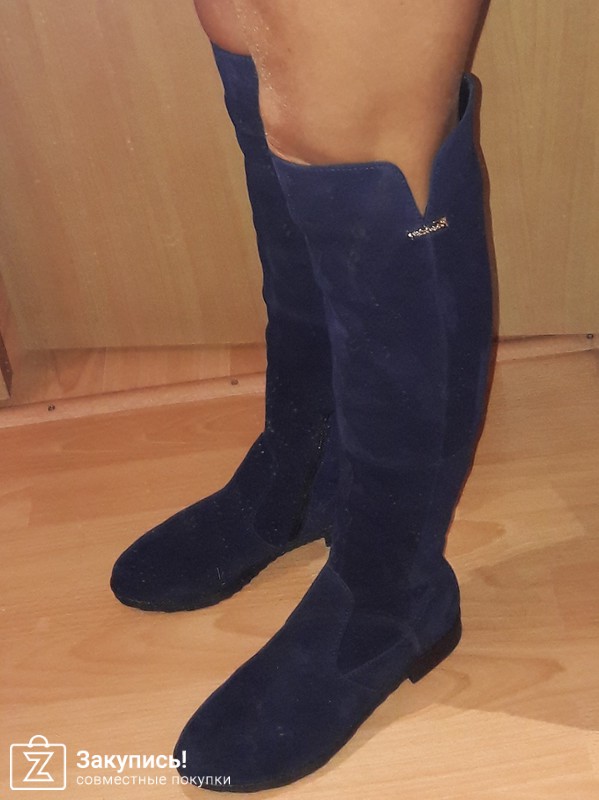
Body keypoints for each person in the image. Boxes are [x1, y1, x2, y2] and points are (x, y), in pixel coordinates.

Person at [111, 0, 493, 791]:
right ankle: (305, 468)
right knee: (253, 36)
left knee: (356, 126)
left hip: (383, 593)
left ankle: (387, 594)